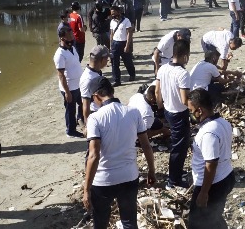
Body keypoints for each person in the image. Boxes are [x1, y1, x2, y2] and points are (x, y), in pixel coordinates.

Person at [83, 76, 156, 229]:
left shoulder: (95, 118)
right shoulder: (133, 112)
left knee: (101, 222)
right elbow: (146, 146)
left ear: (96, 96)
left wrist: (86, 188)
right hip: (129, 177)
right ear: (112, 91)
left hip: (103, 181)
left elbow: (93, 155)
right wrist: (151, 171)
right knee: (129, 221)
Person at [187, 88, 235, 229]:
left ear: (200, 110)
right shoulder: (222, 122)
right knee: (214, 217)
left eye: (191, 111)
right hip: (226, 176)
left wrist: (203, 193)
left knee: (197, 223)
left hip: (212, 184)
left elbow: (211, 164)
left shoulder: (209, 132)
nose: (191, 114)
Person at [155, 39, 192, 189]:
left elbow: (157, 92)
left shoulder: (163, 68)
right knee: (179, 147)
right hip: (179, 114)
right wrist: (197, 112)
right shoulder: (183, 74)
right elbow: (185, 100)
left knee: (179, 146)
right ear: (185, 55)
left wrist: (160, 110)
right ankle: (173, 181)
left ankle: (177, 171)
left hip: (168, 111)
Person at [54, 26, 85, 138]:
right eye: (69, 35)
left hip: (78, 84)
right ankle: (70, 130)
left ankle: (79, 119)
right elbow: (61, 75)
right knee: (70, 109)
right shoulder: (60, 54)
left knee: (83, 103)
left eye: (72, 34)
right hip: (69, 87)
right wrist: (67, 92)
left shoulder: (72, 48)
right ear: (62, 37)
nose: (72, 36)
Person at [79, 45, 110, 124]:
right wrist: (88, 126)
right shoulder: (88, 79)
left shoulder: (96, 72)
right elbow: (86, 104)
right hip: (96, 115)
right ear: (102, 60)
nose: (108, 61)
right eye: (107, 59)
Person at [109, 5, 136, 86]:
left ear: (119, 12)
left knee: (127, 61)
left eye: (114, 13)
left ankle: (132, 74)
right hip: (115, 44)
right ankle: (117, 80)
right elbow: (111, 33)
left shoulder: (126, 21)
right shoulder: (112, 22)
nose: (113, 15)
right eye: (111, 13)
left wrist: (127, 45)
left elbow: (129, 34)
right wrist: (111, 45)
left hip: (124, 43)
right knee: (114, 63)